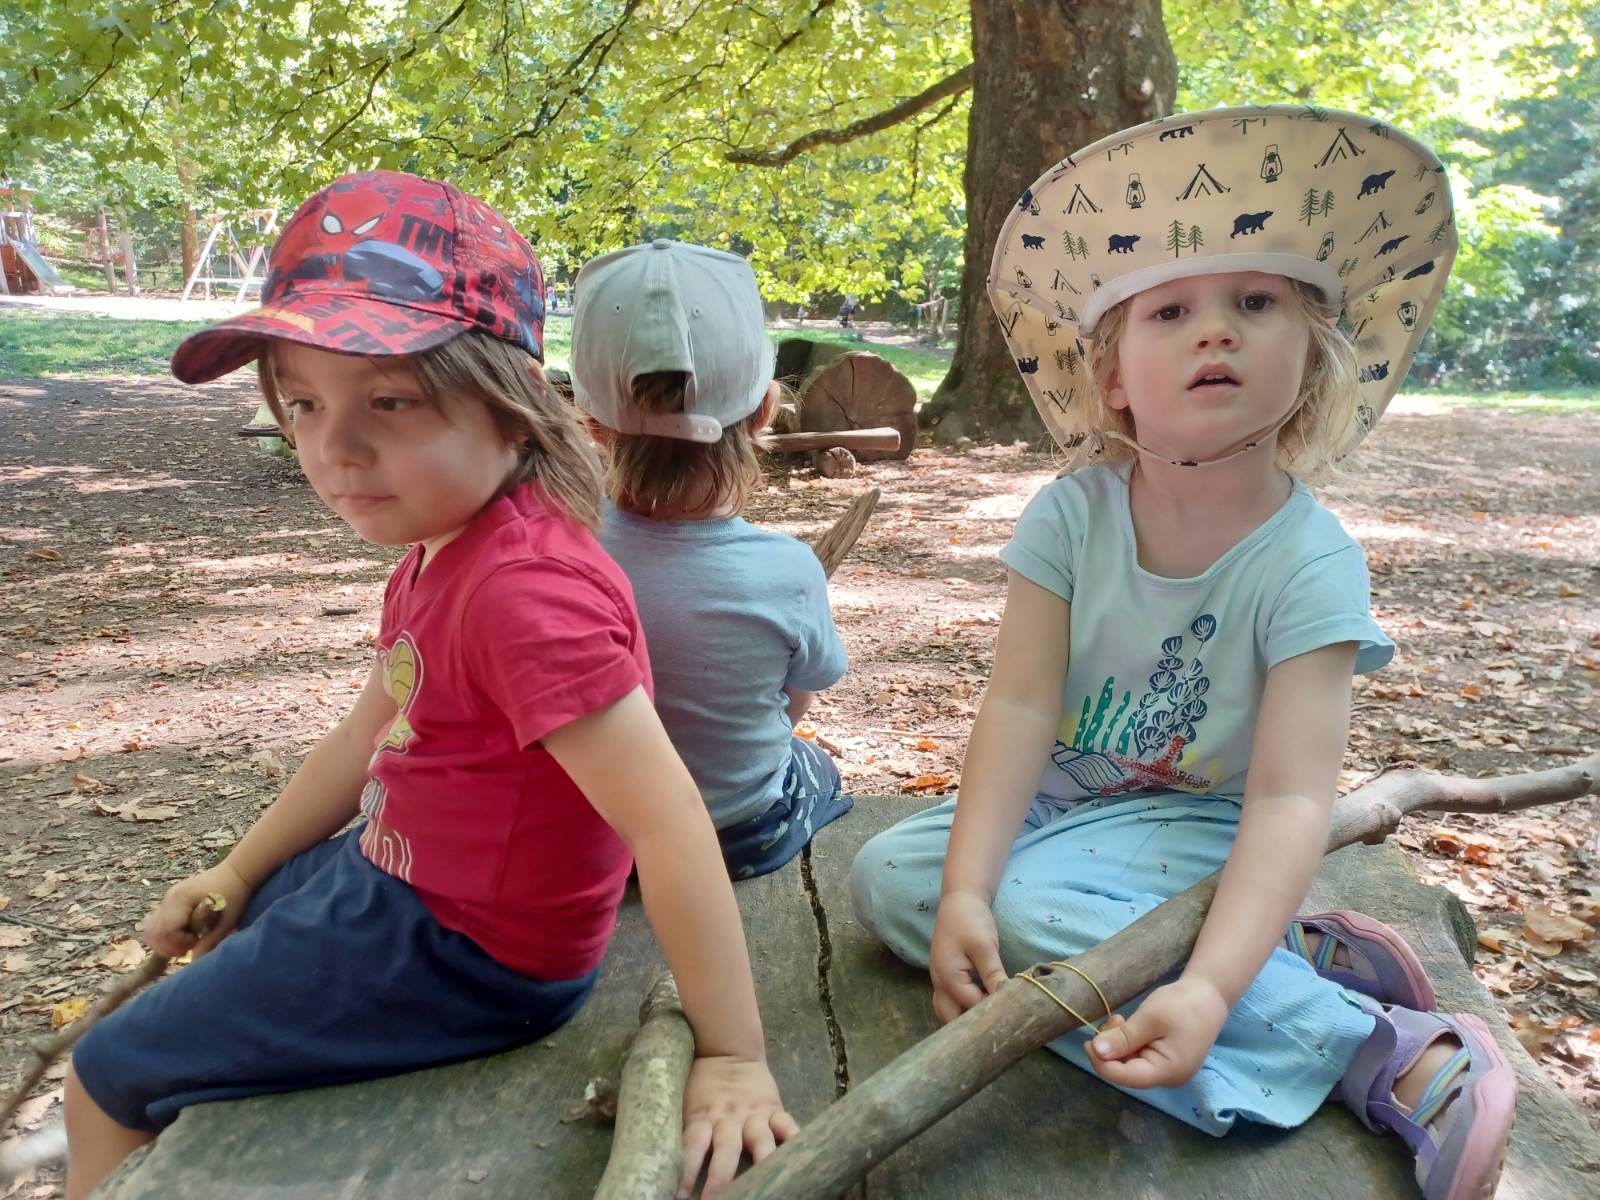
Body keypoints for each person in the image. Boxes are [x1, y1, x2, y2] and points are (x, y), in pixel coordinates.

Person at [63, 173, 792, 1200]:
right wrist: (238, 866)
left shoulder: (524, 594)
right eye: (304, 404)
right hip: (407, 879)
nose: (333, 448)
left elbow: (668, 823)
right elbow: (368, 731)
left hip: (473, 953)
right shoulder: (449, 543)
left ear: (513, 406)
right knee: (243, 923)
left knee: (105, 1075)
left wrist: (733, 1055)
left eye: (390, 400)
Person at [849, 105, 1515, 1200]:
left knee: (1026, 916)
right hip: (1065, 813)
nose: (1216, 332)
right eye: (1171, 310)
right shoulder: (1070, 517)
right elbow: (1019, 710)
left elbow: (1291, 799)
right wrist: (963, 885)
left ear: (1312, 354)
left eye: (1255, 302)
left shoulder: (1309, 563)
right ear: (1111, 374)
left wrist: (1202, 990)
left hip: (1204, 826)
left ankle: (1369, 1046)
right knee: (895, 882)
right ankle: (1275, 951)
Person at [570, 239, 852, 880]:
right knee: (816, 766)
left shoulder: (557, 553)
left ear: (589, 419)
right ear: (764, 410)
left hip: (591, 840)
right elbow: (799, 697)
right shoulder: (789, 570)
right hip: (734, 834)